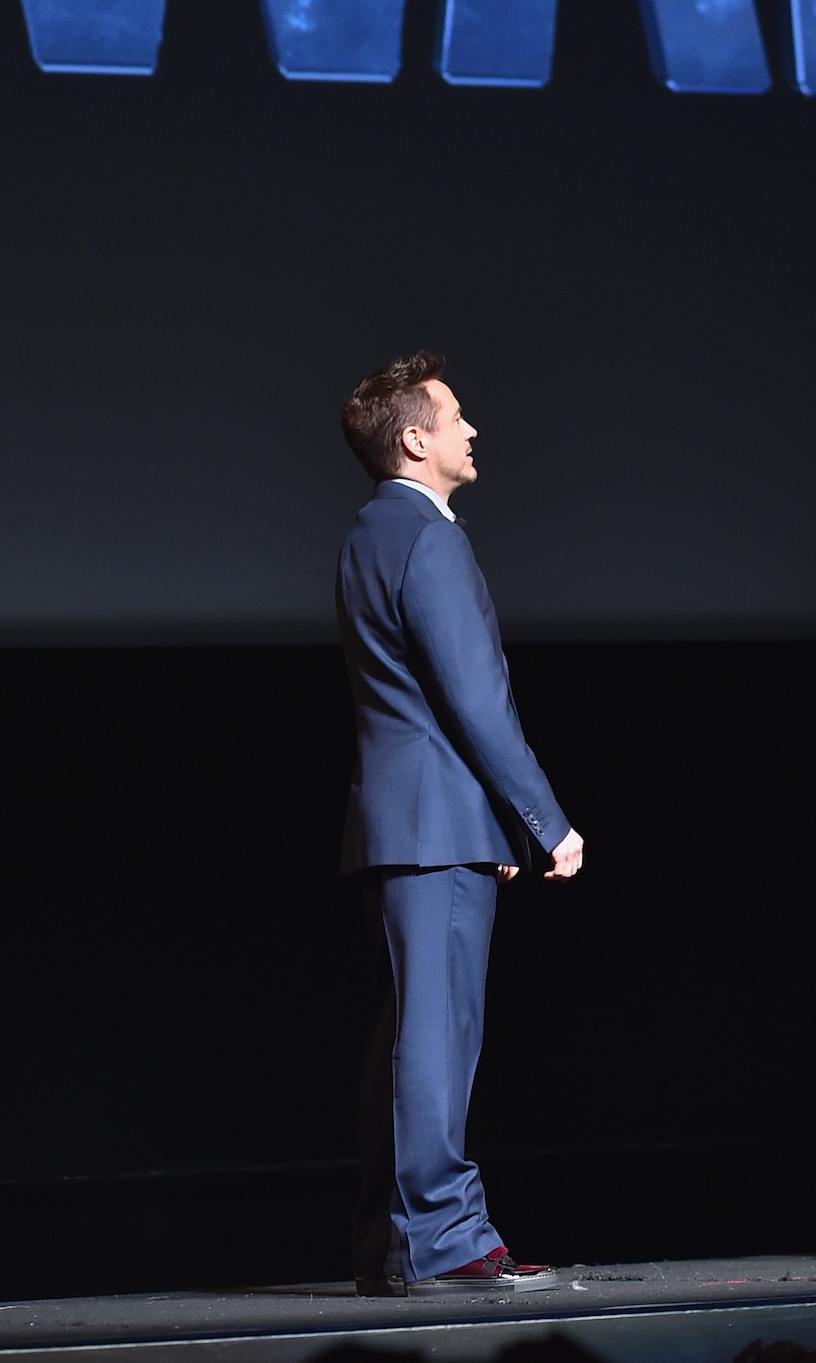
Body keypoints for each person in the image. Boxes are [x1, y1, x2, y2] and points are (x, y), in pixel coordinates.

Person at [336, 351, 584, 1296]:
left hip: (409, 822)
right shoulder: (429, 539)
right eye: (455, 416)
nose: (472, 429)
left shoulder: (370, 532)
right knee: (435, 1037)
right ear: (415, 439)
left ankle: (394, 1242)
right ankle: (440, 1238)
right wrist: (543, 820)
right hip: (435, 825)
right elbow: (472, 699)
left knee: (408, 1035)